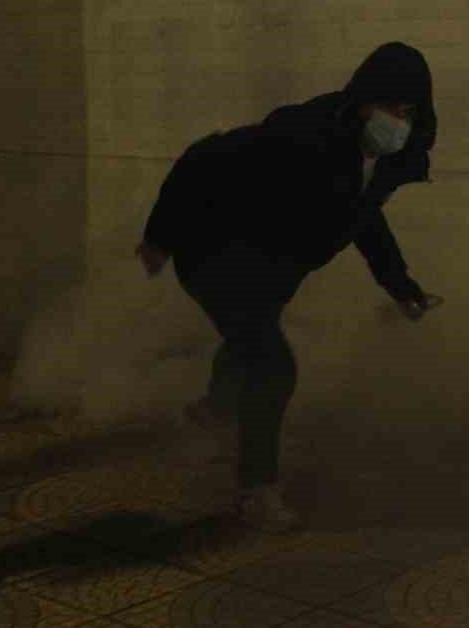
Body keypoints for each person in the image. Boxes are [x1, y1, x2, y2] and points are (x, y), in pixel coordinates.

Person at [137, 42, 440, 531]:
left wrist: (401, 287)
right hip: (214, 253)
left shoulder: (383, 164)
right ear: (361, 100)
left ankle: (212, 412)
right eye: (388, 106)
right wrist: (159, 237)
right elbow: (202, 158)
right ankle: (256, 491)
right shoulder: (301, 133)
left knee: (250, 342)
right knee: (273, 366)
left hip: (273, 270)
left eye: (407, 111)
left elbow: (366, 221)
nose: (397, 120)